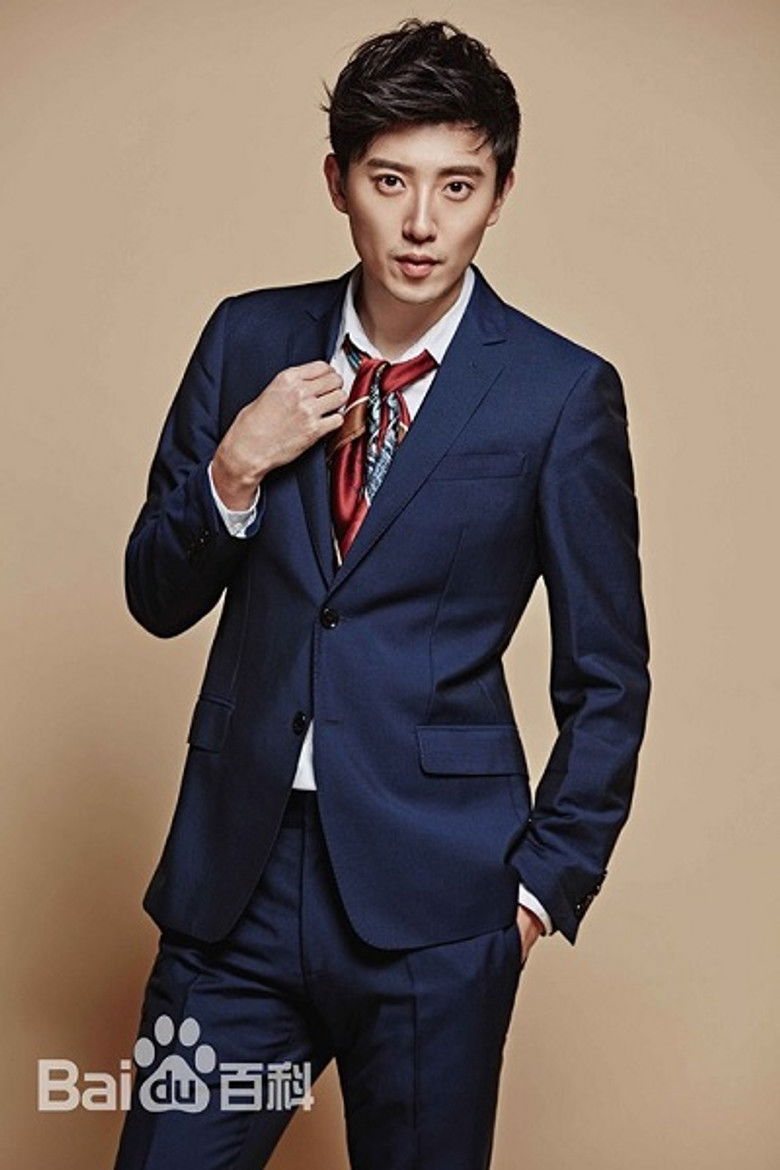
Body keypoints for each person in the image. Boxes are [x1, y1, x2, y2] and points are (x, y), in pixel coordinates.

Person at [113, 18, 651, 1170]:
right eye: (390, 180)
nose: (421, 222)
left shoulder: (559, 395)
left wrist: (540, 891)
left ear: (499, 195)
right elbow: (154, 594)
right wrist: (235, 466)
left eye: (458, 185)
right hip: (236, 886)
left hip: (441, 904)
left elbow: (609, 676)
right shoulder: (246, 337)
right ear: (338, 181)